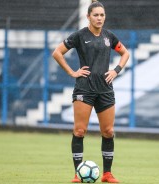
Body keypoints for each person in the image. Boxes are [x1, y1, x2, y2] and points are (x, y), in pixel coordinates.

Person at [52, 1, 129, 183]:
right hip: (84, 89)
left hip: (105, 90)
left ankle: (107, 174)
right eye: (96, 15)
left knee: (108, 131)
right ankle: (78, 174)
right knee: (79, 130)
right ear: (88, 17)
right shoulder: (79, 36)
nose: (99, 18)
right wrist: (72, 72)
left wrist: (116, 70)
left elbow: (125, 53)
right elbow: (57, 53)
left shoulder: (109, 36)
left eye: (102, 15)